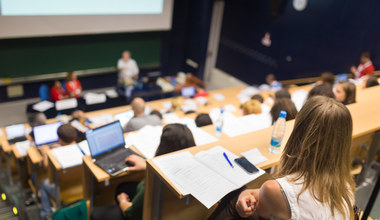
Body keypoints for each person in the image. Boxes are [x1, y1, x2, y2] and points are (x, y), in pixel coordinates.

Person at [210, 96, 355, 220]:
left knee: (232, 198)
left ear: (299, 132)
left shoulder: (275, 190)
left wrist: (242, 193)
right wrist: (247, 193)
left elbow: (262, 198)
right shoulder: (347, 187)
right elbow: (260, 195)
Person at [91, 124, 196, 220]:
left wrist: (122, 201)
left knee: (95, 214)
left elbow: (131, 213)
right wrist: (147, 166)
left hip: (144, 213)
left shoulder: (156, 183)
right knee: (122, 187)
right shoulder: (187, 166)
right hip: (172, 210)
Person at [39, 124, 78, 219]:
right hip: (83, 189)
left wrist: (45, 153)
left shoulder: (55, 154)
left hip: (64, 193)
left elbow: (46, 167)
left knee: (44, 183)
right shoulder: (83, 147)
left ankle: (47, 214)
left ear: (60, 139)